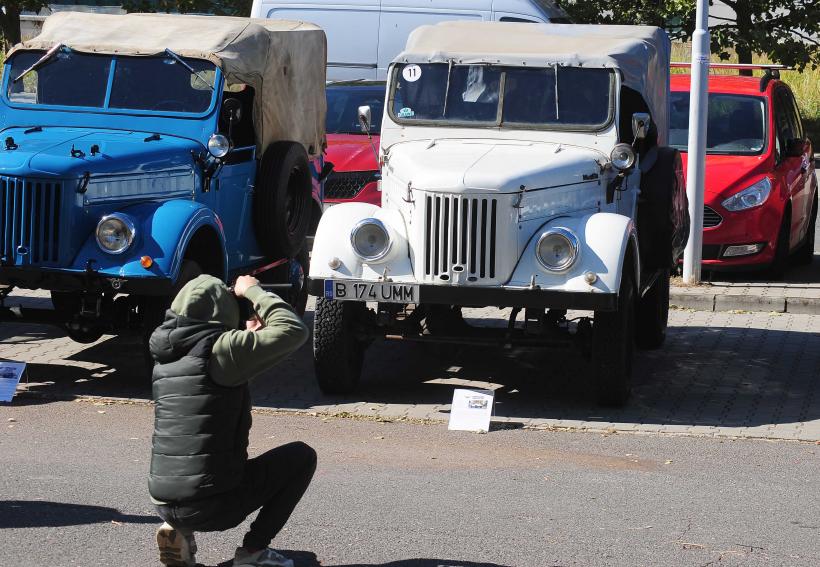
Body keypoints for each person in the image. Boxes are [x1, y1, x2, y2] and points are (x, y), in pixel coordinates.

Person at [147, 273, 314, 567]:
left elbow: (212, 391)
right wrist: (254, 292)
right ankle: (253, 552)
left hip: (163, 500)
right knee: (301, 457)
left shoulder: (167, 358)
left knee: (195, 467)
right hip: (211, 505)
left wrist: (250, 336)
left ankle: (178, 531)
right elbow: (293, 330)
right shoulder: (221, 350)